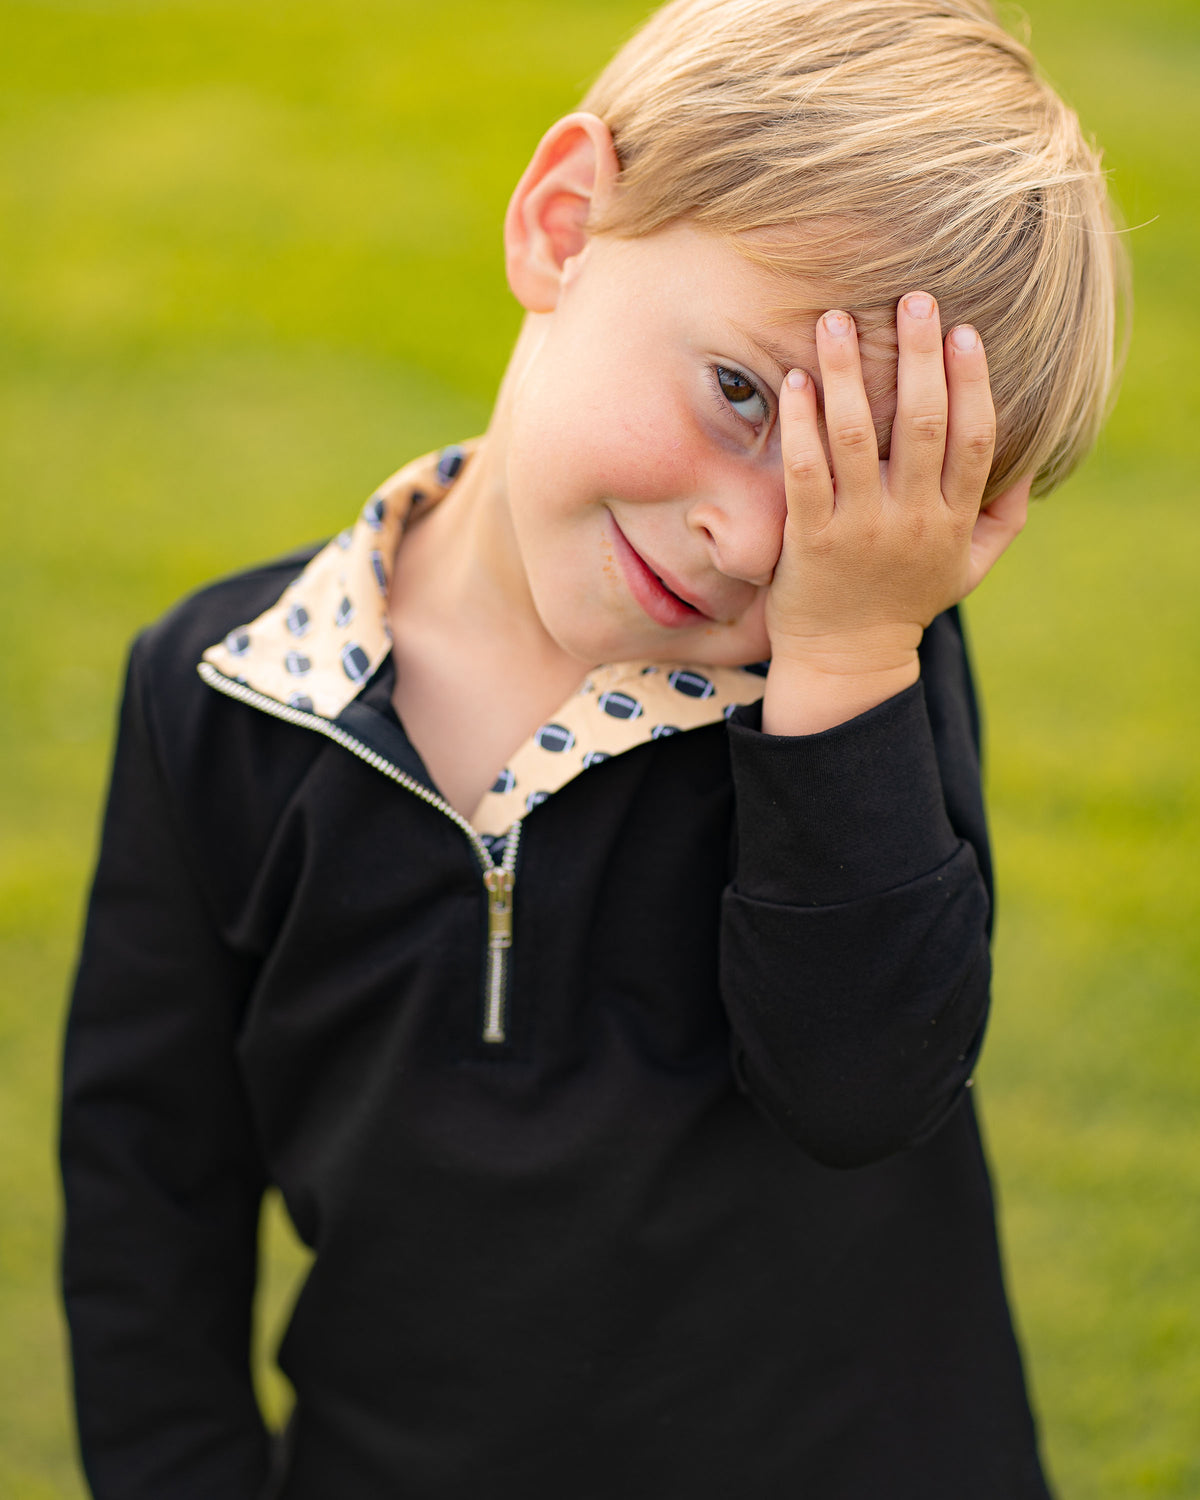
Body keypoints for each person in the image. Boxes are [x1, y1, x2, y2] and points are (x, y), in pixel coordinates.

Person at [59, 1, 1126, 1496]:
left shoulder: (845, 691)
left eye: (853, 491)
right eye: (744, 395)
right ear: (564, 225)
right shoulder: (228, 693)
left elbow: (862, 1090)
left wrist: (850, 657)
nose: (756, 539)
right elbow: (146, 1197)